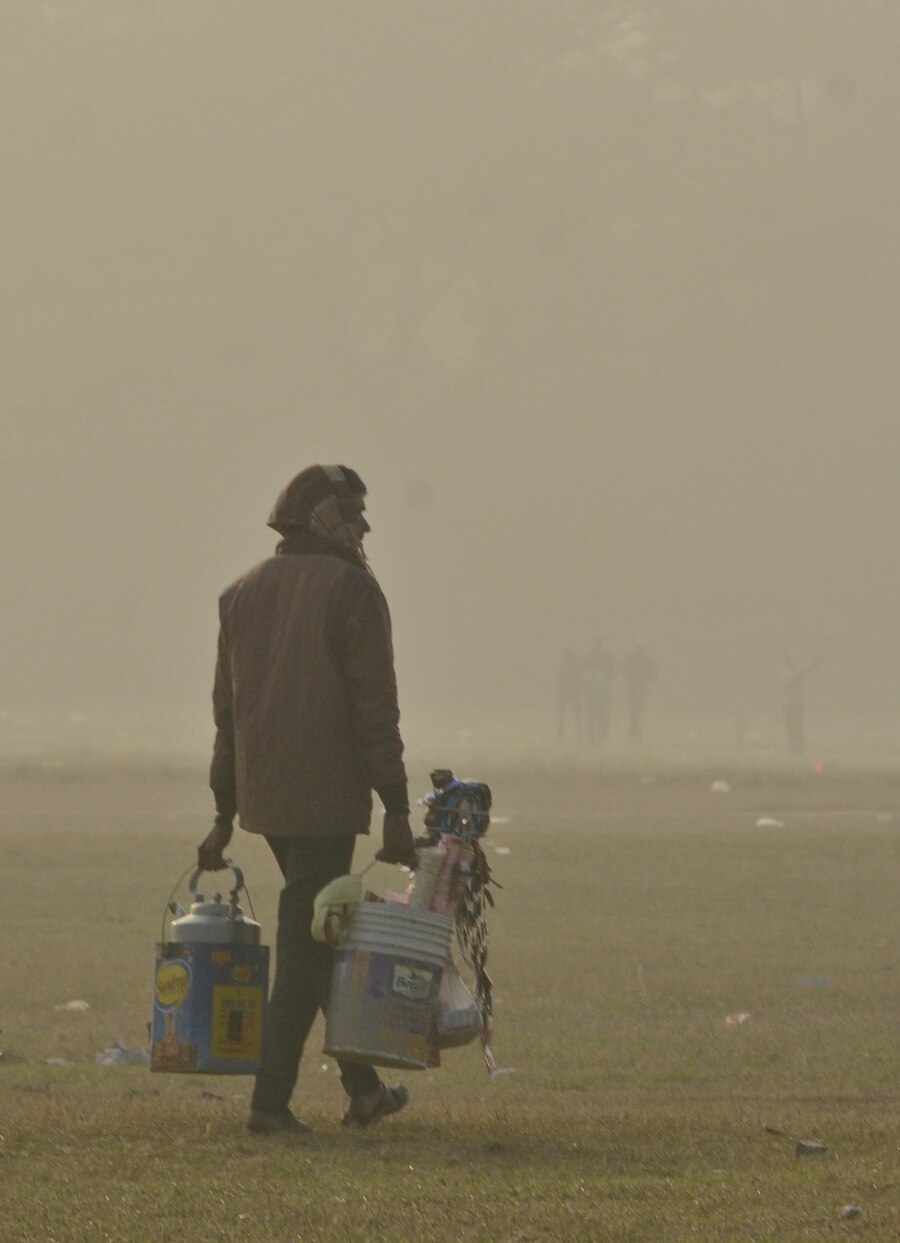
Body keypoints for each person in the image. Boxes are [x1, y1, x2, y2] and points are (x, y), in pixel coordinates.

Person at [197, 464, 417, 1135]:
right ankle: (270, 1103)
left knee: (317, 934)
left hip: (266, 801)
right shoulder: (353, 591)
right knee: (304, 947)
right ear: (325, 519)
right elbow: (374, 711)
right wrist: (399, 810)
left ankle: (364, 1090)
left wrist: (223, 815)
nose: (364, 527)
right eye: (353, 513)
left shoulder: (240, 593)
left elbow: (225, 716)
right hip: (326, 801)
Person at [781, 653, 821, 758]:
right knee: (795, 728)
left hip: (794, 705)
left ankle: (797, 752)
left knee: (795, 728)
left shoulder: (788, 673)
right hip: (792, 705)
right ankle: (796, 751)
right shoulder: (788, 673)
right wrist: (813, 665)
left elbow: (800, 678)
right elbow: (795, 680)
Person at [621, 642, 657, 744]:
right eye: (637, 649)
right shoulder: (630, 659)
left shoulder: (647, 660)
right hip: (632, 689)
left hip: (642, 689)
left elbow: (653, 673)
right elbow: (624, 672)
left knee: (638, 711)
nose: (639, 651)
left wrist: (645, 679)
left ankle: (634, 731)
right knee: (633, 711)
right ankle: (635, 732)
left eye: (640, 649)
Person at [582, 637, 615, 746]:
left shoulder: (607, 658)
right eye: (595, 645)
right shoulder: (588, 658)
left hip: (603, 696)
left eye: (598, 645)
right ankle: (592, 740)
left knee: (603, 717)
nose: (597, 648)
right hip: (591, 696)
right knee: (591, 718)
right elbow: (583, 674)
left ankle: (602, 739)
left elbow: (613, 673)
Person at [557, 648, 583, 742]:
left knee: (574, 715)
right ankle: (564, 734)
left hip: (570, 694)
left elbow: (561, 682)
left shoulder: (567, 668)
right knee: (572, 716)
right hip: (568, 694)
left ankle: (565, 734)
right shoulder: (570, 668)